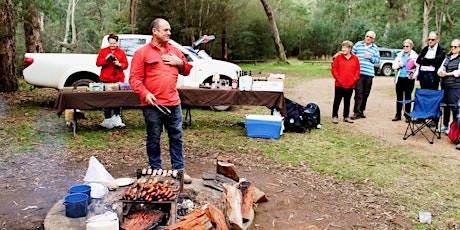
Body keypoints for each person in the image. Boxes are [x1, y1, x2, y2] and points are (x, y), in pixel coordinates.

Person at [129, 18, 193, 184]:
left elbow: (187, 70)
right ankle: (156, 171)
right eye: (165, 30)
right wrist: (145, 94)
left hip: (173, 102)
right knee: (154, 137)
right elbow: (134, 79)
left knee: (176, 137)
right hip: (153, 104)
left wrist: (180, 62)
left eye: (169, 30)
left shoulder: (174, 51)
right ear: (154, 31)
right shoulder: (142, 53)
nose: (169, 33)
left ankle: (179, 171)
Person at [96, 33, 129, 128]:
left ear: (117, 42)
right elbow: (98, 63)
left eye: (114, 43)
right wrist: (106, 60)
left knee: (118, 99)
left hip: (118, 79)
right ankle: (107, 119)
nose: (112, 45)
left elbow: (126, 65)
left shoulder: (121, 52)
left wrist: (119, 64)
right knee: (107, 100)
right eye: (110, 43)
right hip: (106, 79)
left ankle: (117, 117)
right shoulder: (103, 51)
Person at [351, 31, 380, 120]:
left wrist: (370, 57)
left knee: (366, 93)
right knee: (358, 92)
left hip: (369, 73)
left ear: (373, 39)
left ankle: (361, 110)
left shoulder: (375, 48)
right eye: (367, 36)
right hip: (359, 72)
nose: (368, 38)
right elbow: (352, 55)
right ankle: (356, 112)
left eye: (370, 37)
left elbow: (378, 60)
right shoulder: (358, 45)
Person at [331, 40, 360, 124]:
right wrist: (338, 78)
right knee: (337, 100)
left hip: (350, 85)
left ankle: (346, 116)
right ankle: (334, 116)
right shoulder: (338, 58)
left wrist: (354, 79)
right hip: (339, 84)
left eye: (345, 48)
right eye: (342, 47)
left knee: (347, 101)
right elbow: (334, 68)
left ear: (350, 48)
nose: (343, 49)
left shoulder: (355, 59)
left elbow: (357, 70)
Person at [391, 39, 419, 122]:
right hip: (400, 77)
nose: (405, 48)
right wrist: (398, 65)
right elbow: (393, 65)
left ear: (411, 47)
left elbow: (417, 68)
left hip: (408, 78)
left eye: (407, 46)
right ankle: (398, 114)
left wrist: (413, 76)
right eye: (404, 46)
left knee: (407, 96)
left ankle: (407, 115)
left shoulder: (414, 56)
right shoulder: (400, 55)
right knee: (399, 96)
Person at [437, 39, 460, 135]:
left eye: (455, 47)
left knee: (455, 107)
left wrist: (447, 74)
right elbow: (440, 69)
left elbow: (458, 72)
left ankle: (454, 128)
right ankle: (445, 125)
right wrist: (441, 72)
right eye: (451, 46)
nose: (453, 48)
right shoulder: (447, 58)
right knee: (445, 107)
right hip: (445, 85)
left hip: (455, 87)